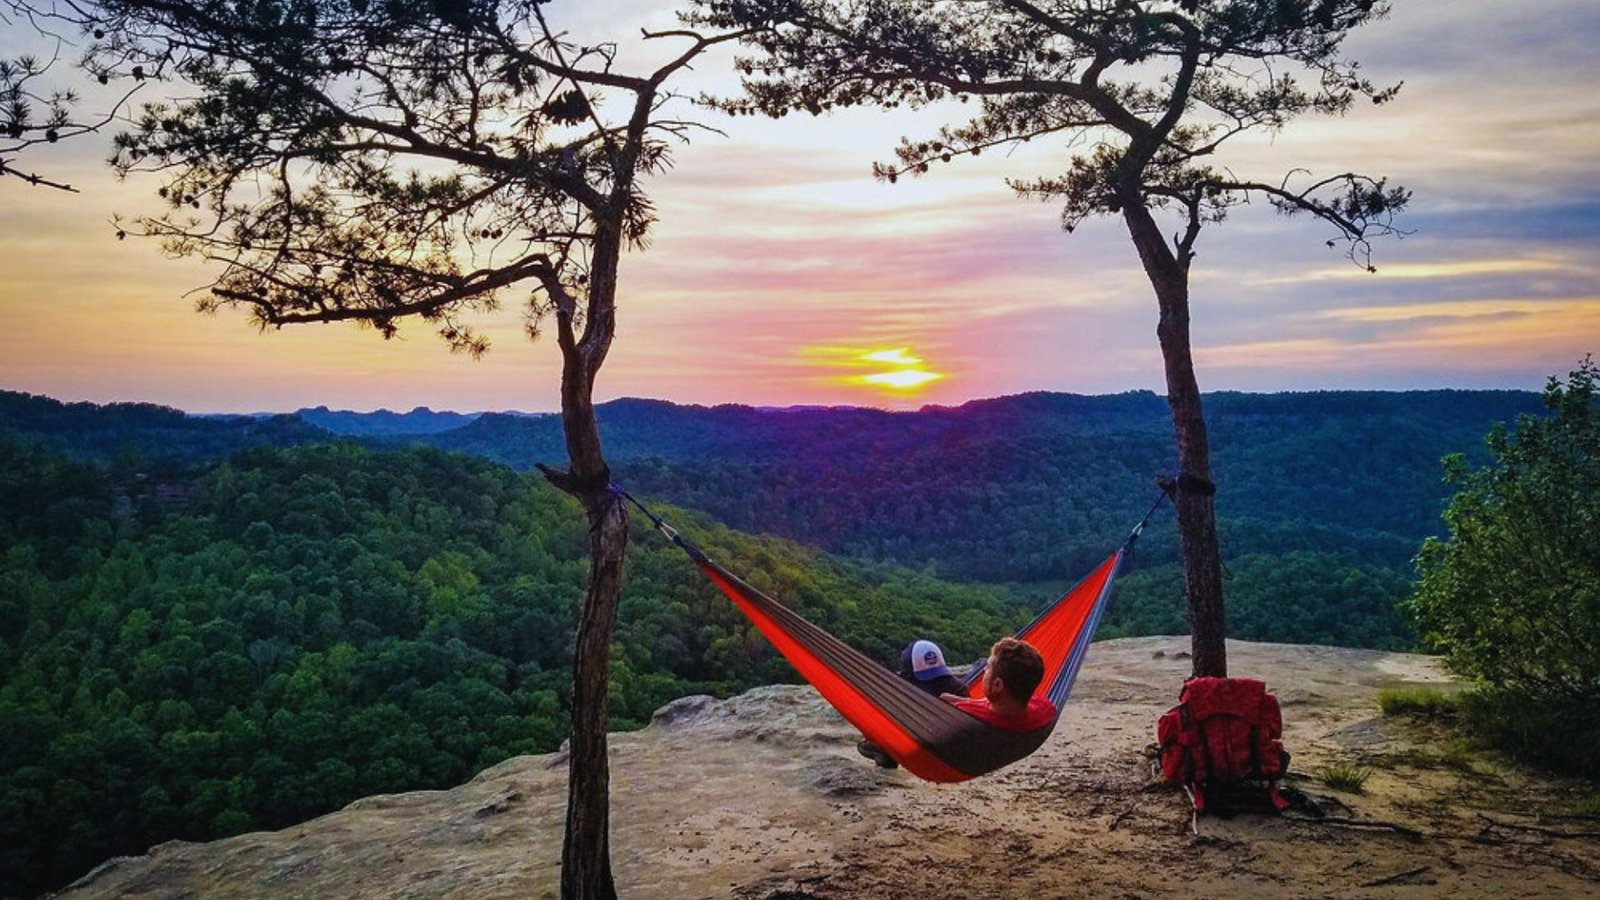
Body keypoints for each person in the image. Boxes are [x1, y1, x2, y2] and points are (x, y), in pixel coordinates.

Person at [856, 638, 965, 769]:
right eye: (929, 679)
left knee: (871, 741)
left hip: (922, 747)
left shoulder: (898, 694)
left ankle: (885, 753)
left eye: (940, 677)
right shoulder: (958, 688)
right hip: (949, 749)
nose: (940, 684)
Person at [940, 636, 1055, 733]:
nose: (984, 669)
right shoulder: (1045, 710)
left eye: (988, 667)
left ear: (997, 685)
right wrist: (955, 699)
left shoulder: (964, 716)